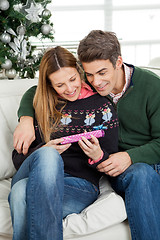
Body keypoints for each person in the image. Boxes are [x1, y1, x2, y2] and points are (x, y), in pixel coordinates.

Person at [13, 30, 160, 240]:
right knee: (24, 186)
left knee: (142, 175)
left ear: (118, 62)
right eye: (89, 75)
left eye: (102, 73)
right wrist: (26, 118)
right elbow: (39, 90)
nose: (96, 81)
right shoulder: (85, 81)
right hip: (103, 165)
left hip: (137, 162)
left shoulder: (152, 87)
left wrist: (129, 157)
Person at [9, 46, 118, 240]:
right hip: (32, 172)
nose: (69, 89)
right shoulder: (39, 103)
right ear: (49, 85)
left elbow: (111, 158)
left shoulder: (101, 105)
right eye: (60, 85)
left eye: (72, 79)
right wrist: (43, 151)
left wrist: (97, 155)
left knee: (19, 194)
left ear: (79, 71)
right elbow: (18, 159)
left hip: (79, 184)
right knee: (48, 155)